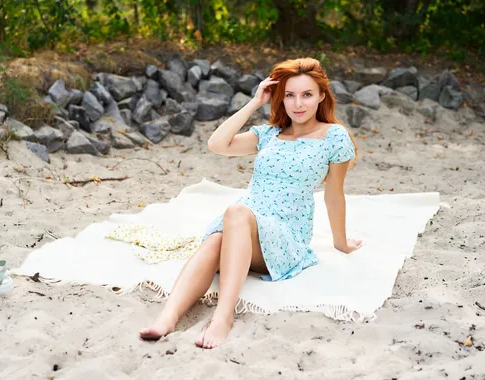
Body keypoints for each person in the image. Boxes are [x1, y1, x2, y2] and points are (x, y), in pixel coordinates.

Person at [139, 57, 363, 349]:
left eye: (307, 95)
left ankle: (223, 317)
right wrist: (254, 102)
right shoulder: (269, 134)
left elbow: (334, 194)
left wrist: (341, 242)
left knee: (235, 212)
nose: (298, 104)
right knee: (215, 240)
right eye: (290, 95)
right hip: (244, 223)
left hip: (285, 233)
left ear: (321, 96)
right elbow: (217, 144)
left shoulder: (334, 137)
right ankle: (167, 318)